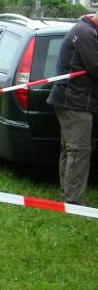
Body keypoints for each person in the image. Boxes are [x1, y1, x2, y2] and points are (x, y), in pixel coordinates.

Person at [47, 13, 98, 205]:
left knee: (70, 150)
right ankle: (73, 202)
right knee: (79, 151)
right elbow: (96, 66)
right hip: (74, 102)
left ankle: (68, 195)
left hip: (73, 100)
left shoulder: (86, 30)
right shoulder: (86, 33)